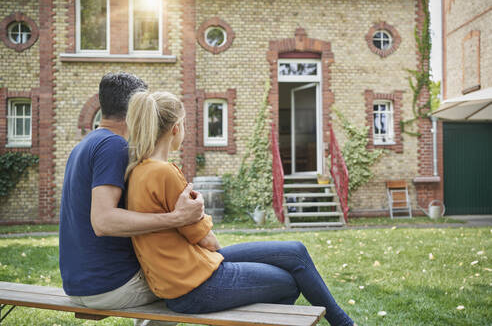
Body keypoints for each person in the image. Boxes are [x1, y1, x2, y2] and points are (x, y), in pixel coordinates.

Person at [125, 91, 355, 326]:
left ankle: (345, 324)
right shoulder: (165, 172)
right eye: (183, 124)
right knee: (288, 283)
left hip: (189, 273)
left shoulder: (138, 171)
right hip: (195, 286)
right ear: (175, 128)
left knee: (295, 251)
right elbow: (210, 242)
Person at [58, 73, 204, 317]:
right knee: (187, 278)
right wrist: (177, 218)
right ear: (136, 109)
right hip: (112, 286)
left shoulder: (85, 144)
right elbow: (103, 221)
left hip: (77, 285)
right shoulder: (114, 146)